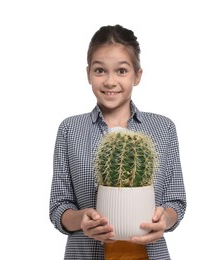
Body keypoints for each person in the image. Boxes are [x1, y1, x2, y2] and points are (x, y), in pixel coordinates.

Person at [49, 24, 186, 260]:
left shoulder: (164, 128)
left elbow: (176, 201)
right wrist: (81, 220)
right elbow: (59, 207)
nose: (110, 81)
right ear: (88, 74)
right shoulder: (70, 129)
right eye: (100, 70)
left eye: (121, 71)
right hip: (85, 253)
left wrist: (166, 219)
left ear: (137, 75)